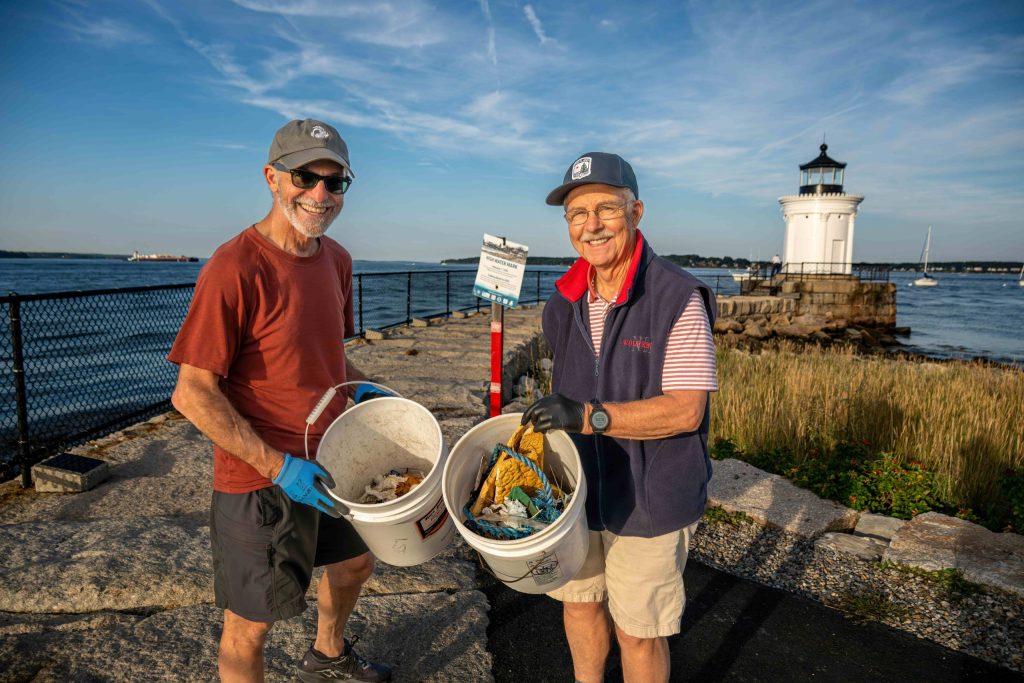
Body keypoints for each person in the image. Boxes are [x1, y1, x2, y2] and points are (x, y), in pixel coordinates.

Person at [168, 119, 391, 683]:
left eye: (334, 182)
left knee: (355, 563)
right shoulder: (234, 265)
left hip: (334, 460)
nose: (319, 194)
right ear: (272, 178)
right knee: (250, 626)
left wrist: (372, 394)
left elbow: (328, 358)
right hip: (262, 479)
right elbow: (192, 394)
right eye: (304, 177)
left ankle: (328, 656)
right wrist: (277, 466)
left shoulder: (336, 259)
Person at [521, 152, 718, 683]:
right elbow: (571, 386)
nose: (592, 226)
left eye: (606, 209)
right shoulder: (562, 302)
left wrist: (587, 417)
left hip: (651, 496)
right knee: (580, 603)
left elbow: (685, 409)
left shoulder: (677, 297)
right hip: (577, 492)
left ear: (637, 212)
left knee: (638, 629)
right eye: (577, 214)